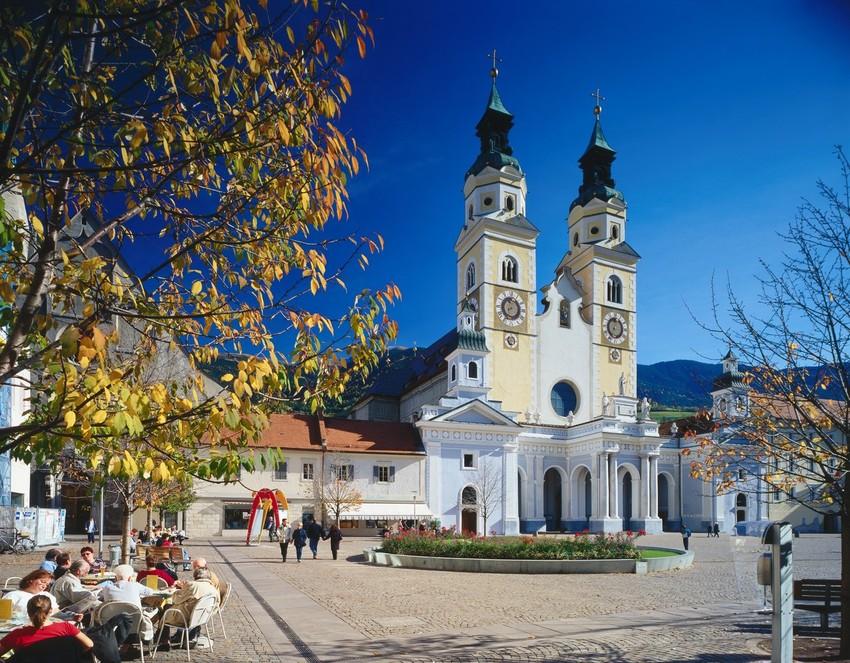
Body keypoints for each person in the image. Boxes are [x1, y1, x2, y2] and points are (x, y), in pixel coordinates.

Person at [0, 595, 93, 658]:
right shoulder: (66, 627)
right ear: (51, 610)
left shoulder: (17, 635)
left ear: (28, 613)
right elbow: (89, 644)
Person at [158, 567, 219, 650]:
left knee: (165, 608)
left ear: (195, 576)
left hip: (185, 617)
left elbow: (176, 599)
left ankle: (165, 642)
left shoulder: (193, 585)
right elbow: (216, 607)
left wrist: (180, 589)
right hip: (202, 617)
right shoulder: (213, 589)